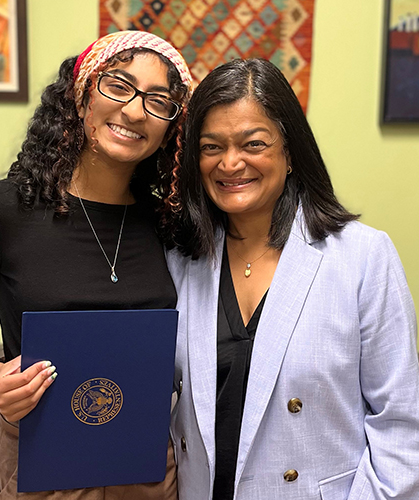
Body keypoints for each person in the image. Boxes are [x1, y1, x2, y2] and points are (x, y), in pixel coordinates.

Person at [0, 30, 192, 499]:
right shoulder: (4, 208)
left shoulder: (169, 221)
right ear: (82, 95)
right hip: (40, 459)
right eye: (118, 85)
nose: (133, 110)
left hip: (146, 467)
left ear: (170, 126)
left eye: (158, 100)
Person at [164, 58, 419, 500]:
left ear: (290, 151)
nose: (230, 163)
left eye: (253, 143)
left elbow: (401, 424)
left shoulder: (362, 257)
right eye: (211, 147)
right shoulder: (179, 258)